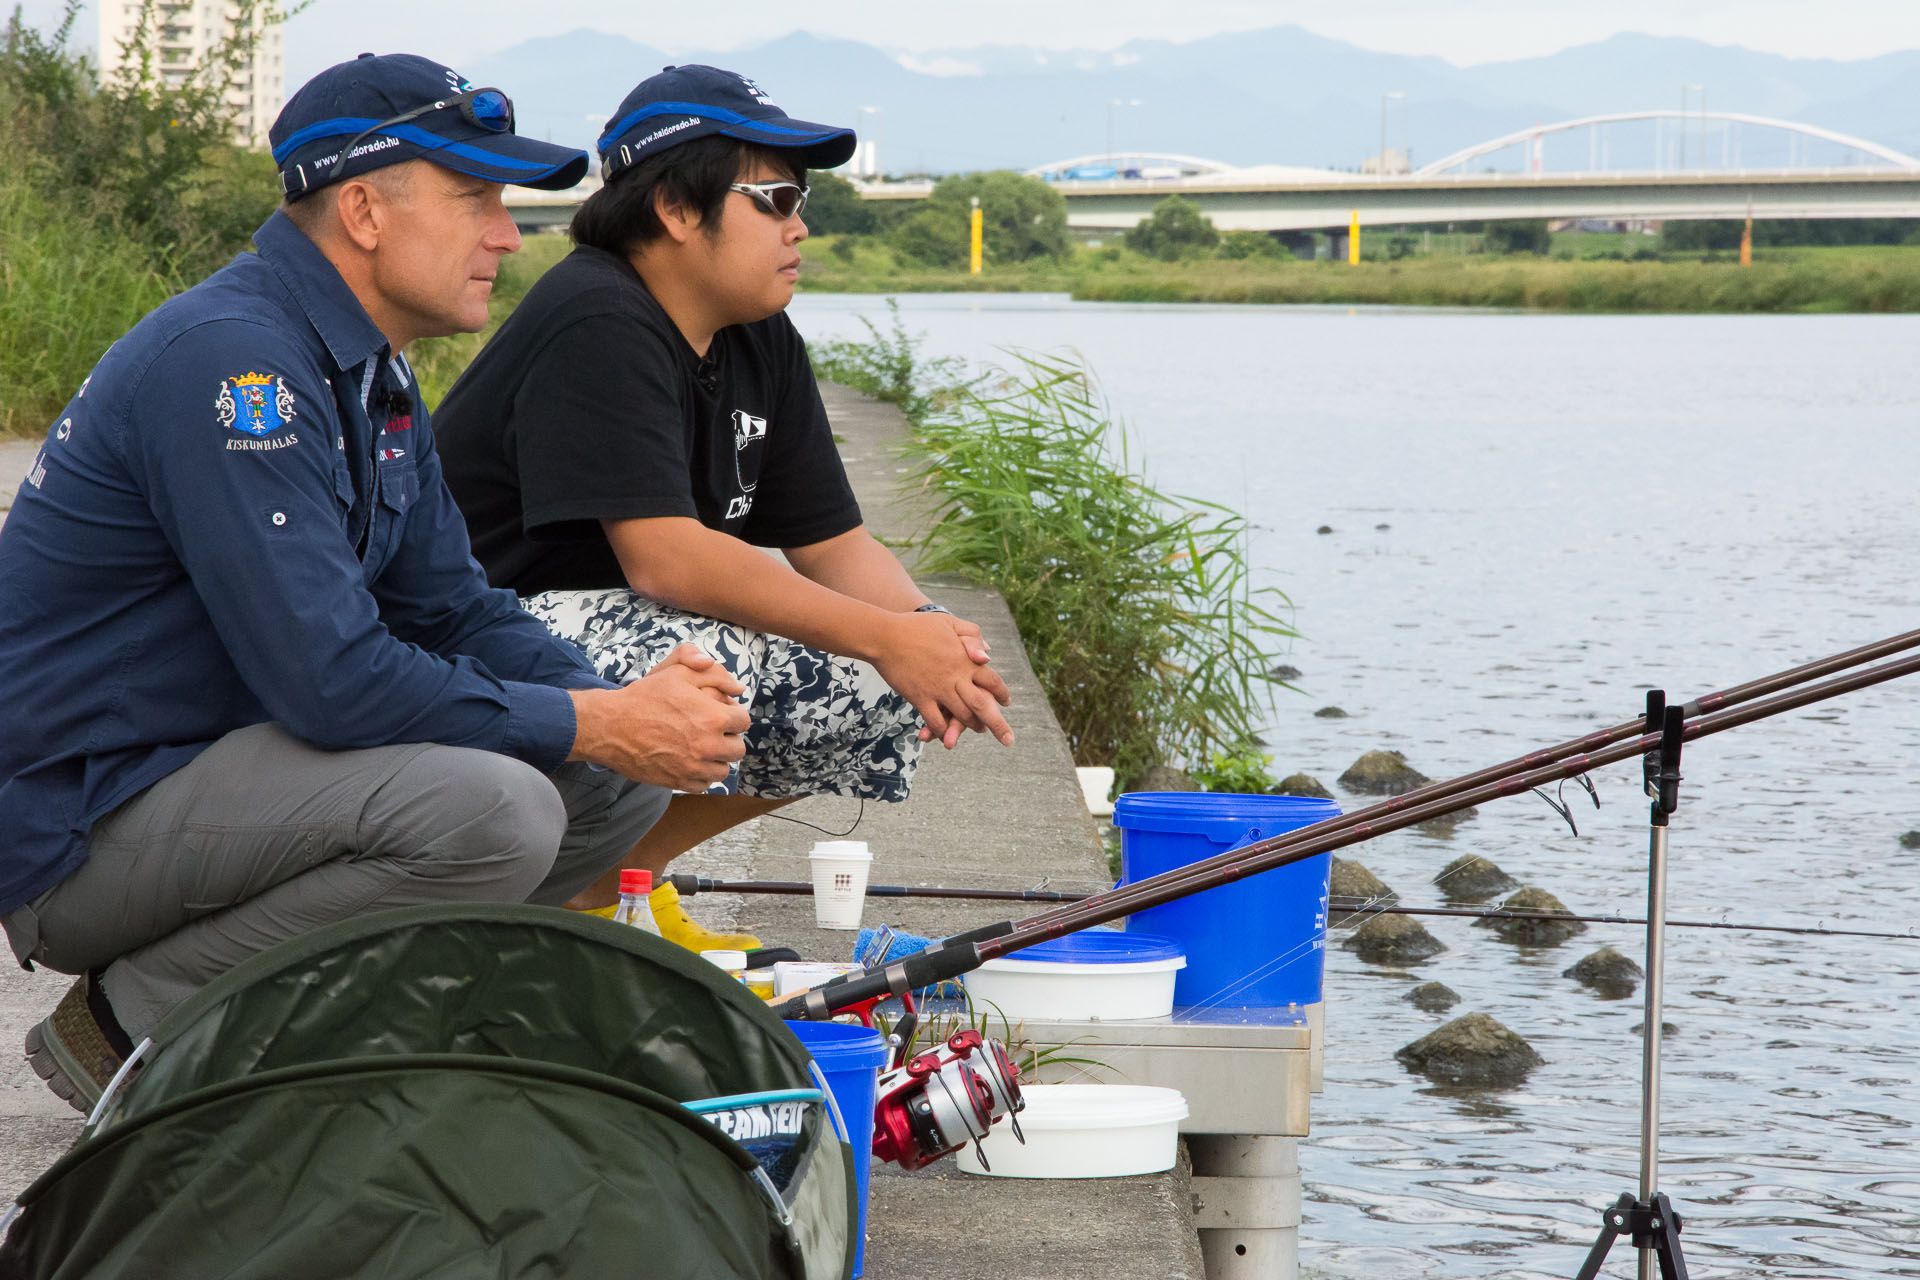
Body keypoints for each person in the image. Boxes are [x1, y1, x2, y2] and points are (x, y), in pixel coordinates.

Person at [0, 53, 749, 1114]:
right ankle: (134, 1026)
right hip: (89, 822)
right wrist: (595, 718)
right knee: (492, 809)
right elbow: (332, 682)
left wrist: (624, 711)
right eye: (476, 197)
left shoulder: (368, 369)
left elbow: (455, 605)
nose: (506, 232)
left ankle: (355, 1027)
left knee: (612, 775)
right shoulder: (238, 367)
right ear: (362, 210)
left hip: (225, 780)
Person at [434, 65, 1014, 947]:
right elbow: (666, 558)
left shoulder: (760, 335)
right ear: (673, 206)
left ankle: (620, 878)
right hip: (485, 635)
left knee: (888, 683)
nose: (799, 225)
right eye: (775, 199)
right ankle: (582, 884)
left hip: (624, 631)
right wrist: (888, 636)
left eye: (799, 199)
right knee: (752, 655)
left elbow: (833, 542)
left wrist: (935, 639)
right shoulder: (597, 312)